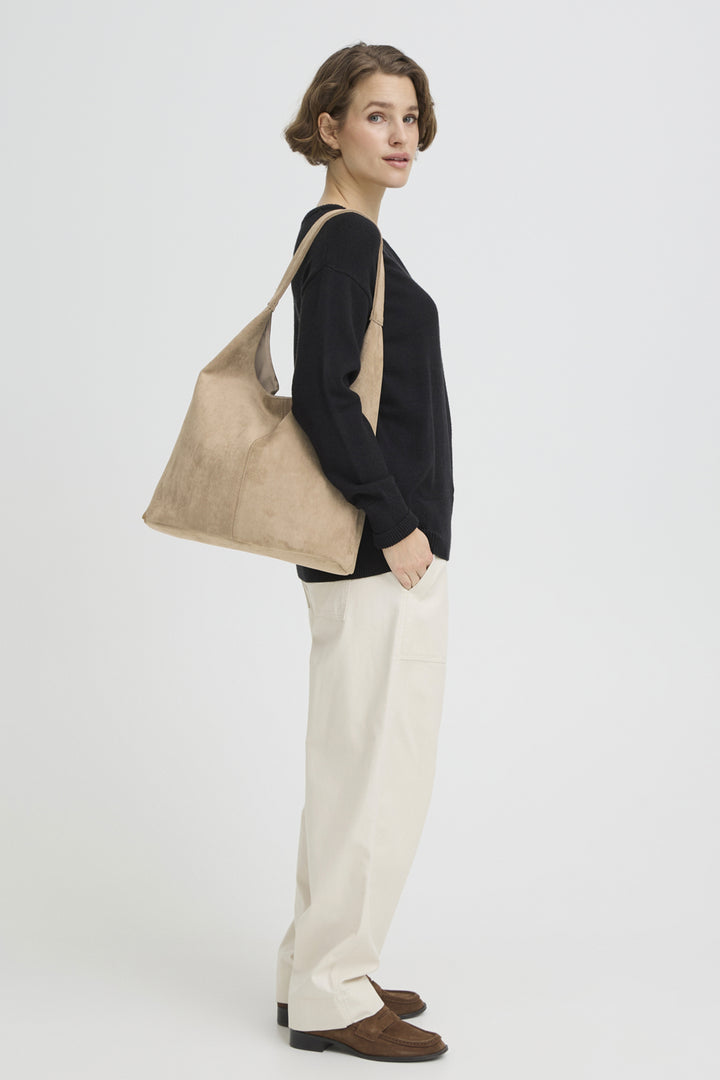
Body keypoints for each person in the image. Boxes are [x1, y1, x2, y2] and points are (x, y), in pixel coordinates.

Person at [274, 42, 454, 1063]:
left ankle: (319, 968)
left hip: (380, 552)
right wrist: (398, 526)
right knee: (374, 773)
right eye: (377, 116)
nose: (400, 137)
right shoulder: (343, 241)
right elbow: (324, 398)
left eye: (411, 118)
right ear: (330, 127)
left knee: (362, 767)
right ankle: (335, 994)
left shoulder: (352, 240)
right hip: (379, 553)